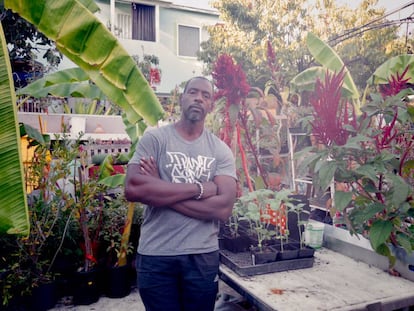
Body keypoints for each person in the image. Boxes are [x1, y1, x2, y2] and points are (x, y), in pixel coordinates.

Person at [124, 76, 237, 311]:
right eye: (193, 92)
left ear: (211, 105)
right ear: (182, 98)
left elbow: (223, 208)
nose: (198, 98)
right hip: (156, 254)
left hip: (201, 256)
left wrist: (158, 187)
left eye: (206, 95)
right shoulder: (156, 139)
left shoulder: (220, 150)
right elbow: (133, 188)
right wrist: (199, 189)